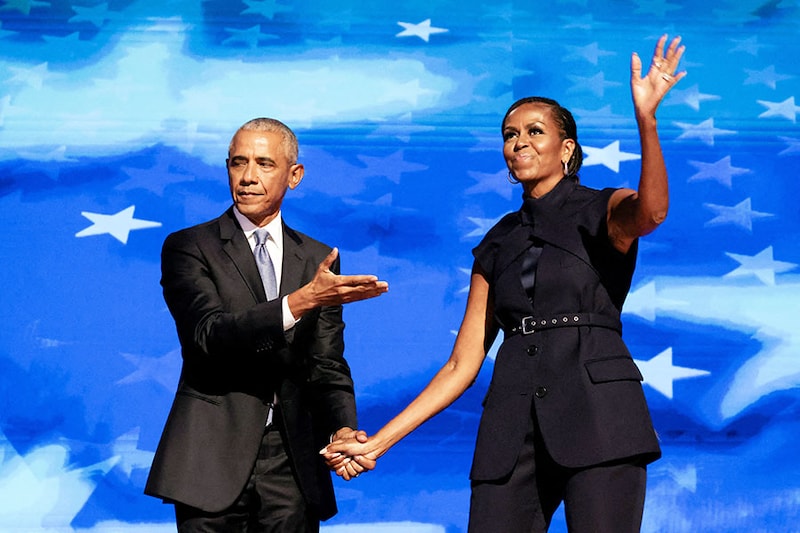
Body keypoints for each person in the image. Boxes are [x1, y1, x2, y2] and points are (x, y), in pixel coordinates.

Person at [322, 35, 686, 532]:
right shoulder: (497, 241)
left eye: (535, 131)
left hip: (601, 416)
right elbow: (461, 364)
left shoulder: (601, 207)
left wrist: (647, 119)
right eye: (510, 134)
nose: (520, 142)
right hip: (511, 428)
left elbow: (653, 212)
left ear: (567, 148)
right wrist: (378, 443)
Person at [144, 117, 388, 532]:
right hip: (210, 459)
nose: (248, 177)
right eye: (238, 163)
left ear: (294, 176)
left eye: (264, 164)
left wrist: (342, 430)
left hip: (291, 461)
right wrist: (302, 300)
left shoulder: (316, 258)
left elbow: (326, 363)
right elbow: (208, 336)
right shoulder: (189, 246)